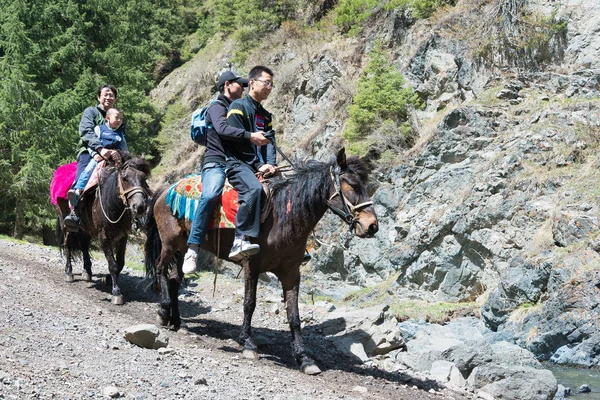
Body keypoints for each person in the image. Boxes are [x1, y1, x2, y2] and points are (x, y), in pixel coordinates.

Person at [182, 70, 271, 273]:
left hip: (238, 163)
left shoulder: (240, 109)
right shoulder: (217, 107)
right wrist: (250, 135)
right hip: (216, 162)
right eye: (239, 84)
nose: (243, 88)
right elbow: (222, 129)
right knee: (211, 194)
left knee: (259, 194)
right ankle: (193, 248)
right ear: (227, 85)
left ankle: (250, 249)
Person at [223, 65, 278, 261]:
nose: (269, 87)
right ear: (252, 82)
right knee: (254, 189)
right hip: (238, 163)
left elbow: (270, 143)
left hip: (260, 164)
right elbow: (237, 141)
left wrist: (271, 164)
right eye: (266, 83)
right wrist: (258, 165)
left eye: (272, 84)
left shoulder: (266, 116)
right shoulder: (237, 108)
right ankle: (240, 239)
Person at [64, 85, 125, 230]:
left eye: (112, 95)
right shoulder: (91, 112)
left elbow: (122, 139)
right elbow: (86, 132)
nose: (108, 97)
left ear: (115, 99)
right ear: (99, 97)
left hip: (112, 155)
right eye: (106, 94)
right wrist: (99, 150)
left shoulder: (118, 116)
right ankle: (74, 213)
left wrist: (122, 155)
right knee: (84, 176)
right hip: (88, 151)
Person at [67, 107, 127, 208]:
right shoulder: (99, 129)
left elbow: (125, 150)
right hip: (99, 157)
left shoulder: (120, 135)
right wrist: (95, 155)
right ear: (107, 117)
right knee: (89, 170)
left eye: (121, 119)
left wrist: (119, 155)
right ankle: (78, 191)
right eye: (117, 118)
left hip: (114, 160)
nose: (119, 121)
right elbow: (90, 145)